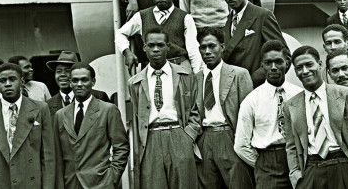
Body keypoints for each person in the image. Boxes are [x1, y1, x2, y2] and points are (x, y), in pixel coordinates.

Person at [128, 27, 200, 189]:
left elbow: (194, 109)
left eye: (160, 45)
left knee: (185, 184)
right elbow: (138, 114)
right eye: (151, 45)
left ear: (168, 46)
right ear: (144, 47)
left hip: (178, 134)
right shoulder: (135, 83)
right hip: (151, 138)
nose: (155, 49)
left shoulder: (185, 76)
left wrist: (188, 136)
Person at [284, 46, 348, 189]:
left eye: (309, 65)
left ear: (320, 65)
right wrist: (295, 174)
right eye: (299, 68)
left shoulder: (347, 94)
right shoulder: (291, 105)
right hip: (311, 169)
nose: (305, 71)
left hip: (343, 164)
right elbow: (291, 146)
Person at [235, 40, 303, 188]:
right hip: (267, 163)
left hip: (298, 158)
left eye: (278, 62)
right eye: (268, 63)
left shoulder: (299, 95)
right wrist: (261, 165)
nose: (273, 67)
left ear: (287, 62)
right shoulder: (252, 100)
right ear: (262, 65)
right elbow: (241, 145)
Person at [54, 62, 129, 189]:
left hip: (100, 183)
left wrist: (111, 178)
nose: (79, 84)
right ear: (70, 83)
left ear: (93, 82)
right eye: (75, 80)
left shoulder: (108, 110)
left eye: (84, 80)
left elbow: (121, 147)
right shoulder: (60, 115)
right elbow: (58, 154)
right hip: (70, 183)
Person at [195, 27, 254, 188]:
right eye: (203, 47)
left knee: (238, 184)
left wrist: (244, 143)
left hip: (231, 136)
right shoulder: (196, 79)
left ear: (222, 46)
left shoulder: (239, 74)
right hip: (205, 139)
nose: (207, 51)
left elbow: (248, 115)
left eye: (212, 46)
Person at [116, 0, 202, 73]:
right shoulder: (142, 16)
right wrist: (127, 52)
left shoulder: (185, 18)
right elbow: (120, 33)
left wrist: (197, 76)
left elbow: (193, 50)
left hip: (180, 67)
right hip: (154, 69)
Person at [0, 63, 55, 188]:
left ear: (22, 81)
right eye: (2, 80)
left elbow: (48, 156)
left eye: (12, 79)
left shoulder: (40, 108)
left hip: (31, 183)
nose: (7, 84)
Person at [221, 0, 287, 86]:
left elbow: (284, 56)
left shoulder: (263, 15)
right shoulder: (226, 20)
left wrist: (255, 79)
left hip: (256, 87)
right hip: (232, 87)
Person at [46, 51, 110, 118]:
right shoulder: (48, 105)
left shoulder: (99, 97)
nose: (62, 74)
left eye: (67, 70)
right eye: (59, 71)